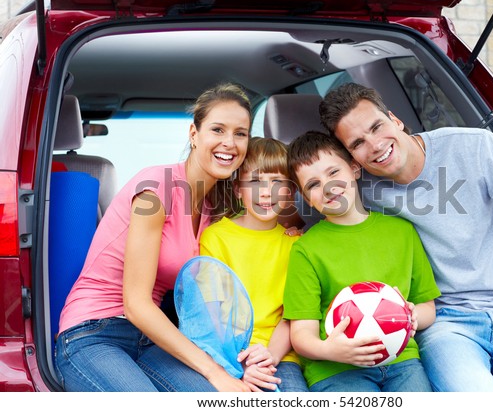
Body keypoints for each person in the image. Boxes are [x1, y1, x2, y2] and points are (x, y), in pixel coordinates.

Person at [318, 82, 493, 392]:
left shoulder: (475, 148)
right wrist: (290, 226)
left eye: (377, 126)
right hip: (443, 325)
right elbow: (306, 201)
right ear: (353, 160)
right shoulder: (360, 190)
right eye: (358, 142)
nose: (374, 145)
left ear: (394, 119)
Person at [55, 83, 253, 392]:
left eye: (240, 133)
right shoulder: (155, 189)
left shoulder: (217, 208)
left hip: (151, 338)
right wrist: (215, 372)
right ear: (193, 134)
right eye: (218, 129)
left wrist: (293, 227)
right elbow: (135, 304)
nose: (229, 143)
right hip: (93, 332)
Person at [283, 131, 440, 392]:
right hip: (335, 369)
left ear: (354, 168)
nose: (328, 187)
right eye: (313, 184)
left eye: (334, 172)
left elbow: (427, 307)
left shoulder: (402, 232)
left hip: (401, 360)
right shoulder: (306, 249)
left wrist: (413, 317)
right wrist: (329, 350)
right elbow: (301, 335)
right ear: (306, 197)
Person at [199, 137, 308, 392]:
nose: (266, 192)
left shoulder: (297, 246)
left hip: (279, 355)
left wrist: (269, 356)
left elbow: (291, 316)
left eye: (277, 182)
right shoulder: (216, 237)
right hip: (228, 354)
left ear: (290, 191)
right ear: (238, 189)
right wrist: (241, 363)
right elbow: (213, 314)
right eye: (256, 181)